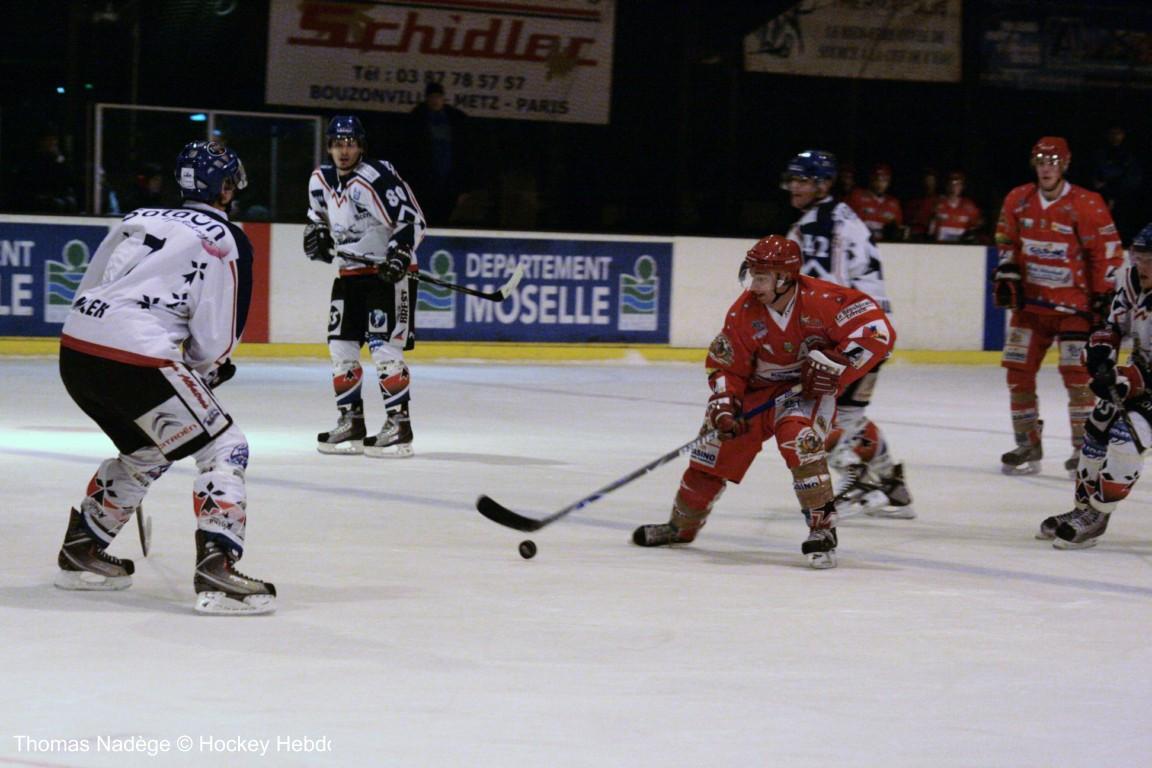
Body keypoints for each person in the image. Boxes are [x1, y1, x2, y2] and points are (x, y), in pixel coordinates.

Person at [54, 140, 275, 615]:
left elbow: (93, 283)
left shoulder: (139, 217)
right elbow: (216, 338)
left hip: (76, 348)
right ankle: (217, 568)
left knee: (147, 450)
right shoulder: (226, 238)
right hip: (137, 355)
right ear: (225, 188)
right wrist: (205, 369)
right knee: (224, 445)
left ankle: (83, 549)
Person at [632, 236, 897, 568]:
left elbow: (878, 332)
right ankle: (680, 527)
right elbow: (725, 365)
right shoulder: (742, 312)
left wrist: (837, 364)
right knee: (712, 453)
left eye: (761, 278)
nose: (753, 286)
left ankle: (822, 530)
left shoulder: (826, 300)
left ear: (784, 278)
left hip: (803, 393)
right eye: (752, 276)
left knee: (800, 441)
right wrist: (724, 403)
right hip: (755, 394)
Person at [784, 149, 913, 519]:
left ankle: (858, 481)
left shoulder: (816, 227)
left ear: (823, 184)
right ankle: (893, 487)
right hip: (876, 332)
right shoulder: (840, 216)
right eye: (792, 179)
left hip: (851, 336)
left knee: (812, 416)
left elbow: (827, 288)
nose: (794, 186)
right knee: (852, 417)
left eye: (802, 180)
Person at [992, 136, 1123, 476]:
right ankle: (1027, 442)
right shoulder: (1018, 199)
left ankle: (1084, 448)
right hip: (1031, 306)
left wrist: (1104, 296)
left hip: (1074, 308)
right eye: (1040, 161)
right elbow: (1005, 237)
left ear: (1064, 164)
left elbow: (1107, 252)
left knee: (1078, 378)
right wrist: (1007, 267)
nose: (1046, 168)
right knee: (1017, 373)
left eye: (1052, 161)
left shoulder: (1087, 203)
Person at [305, 115, 427, 458]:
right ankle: (351, 421)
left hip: (387, 275)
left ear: (361, 147)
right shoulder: (320, 180)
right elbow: (316, 219)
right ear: (329, 147)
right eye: (337, 144)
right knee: (340, 345)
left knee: (383, 348)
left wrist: (399, 254)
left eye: (350, 144)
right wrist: (316, 237)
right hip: (350, 275)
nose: (344, 151)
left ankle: (399, 424)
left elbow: (412, 219)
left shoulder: (375, 176)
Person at [1037, 222, 1152, 548]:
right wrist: (1101, 352)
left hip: (1144, 380)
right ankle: (1083, 509)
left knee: (1127, 435)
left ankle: (1099, 516)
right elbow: (1114, 324)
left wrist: (1127, 380)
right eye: (1139, 256)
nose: (1141, 265)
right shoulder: (1132, 279)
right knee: (1097, 426)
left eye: (1150, 260)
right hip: (1142, 375)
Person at [405, 81, 471, 226]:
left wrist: (463, 187)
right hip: (425, 181)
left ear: (443, 98)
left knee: (444, 217)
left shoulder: (456, 120)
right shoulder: (416, 120)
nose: (435, 101)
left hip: (449, 181)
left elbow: (464, 155)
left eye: (438, 97)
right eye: (432, 97)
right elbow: (409, 155)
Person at [1089, 125, 1143, 244]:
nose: (1115, 136)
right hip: (1102, 197)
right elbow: (1096, 175)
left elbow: (1132, 177)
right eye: (1112, 133)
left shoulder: (1130, 154)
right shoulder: (1100, 153)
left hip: (1123, 198)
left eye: (1118, 133)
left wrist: (1112, 190)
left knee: (1123, 226)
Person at [845, 162, 904, 241]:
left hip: (885, 244)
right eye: (877, 179)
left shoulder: (894, 203)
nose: (880, 184)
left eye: (885, 180)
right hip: (860, 242)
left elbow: (898, 229)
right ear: (871, 179)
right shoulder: (856, 196)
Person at [929, 170, 984, 243]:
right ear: (947, 185)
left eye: (958, 184)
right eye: (952, 183)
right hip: (940, 246)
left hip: (961, 246)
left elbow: (978, 224)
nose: (954, 187)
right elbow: (930, 231)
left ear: (962, 186)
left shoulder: (969, 206)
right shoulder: (937, 203)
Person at [904, 166, 941, 242]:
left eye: (931, 180)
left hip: (932, 240)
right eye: (927, 180)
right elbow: (907, 224)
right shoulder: (913, 202)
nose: (929, 183)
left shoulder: (939, 201)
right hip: (914, 238)